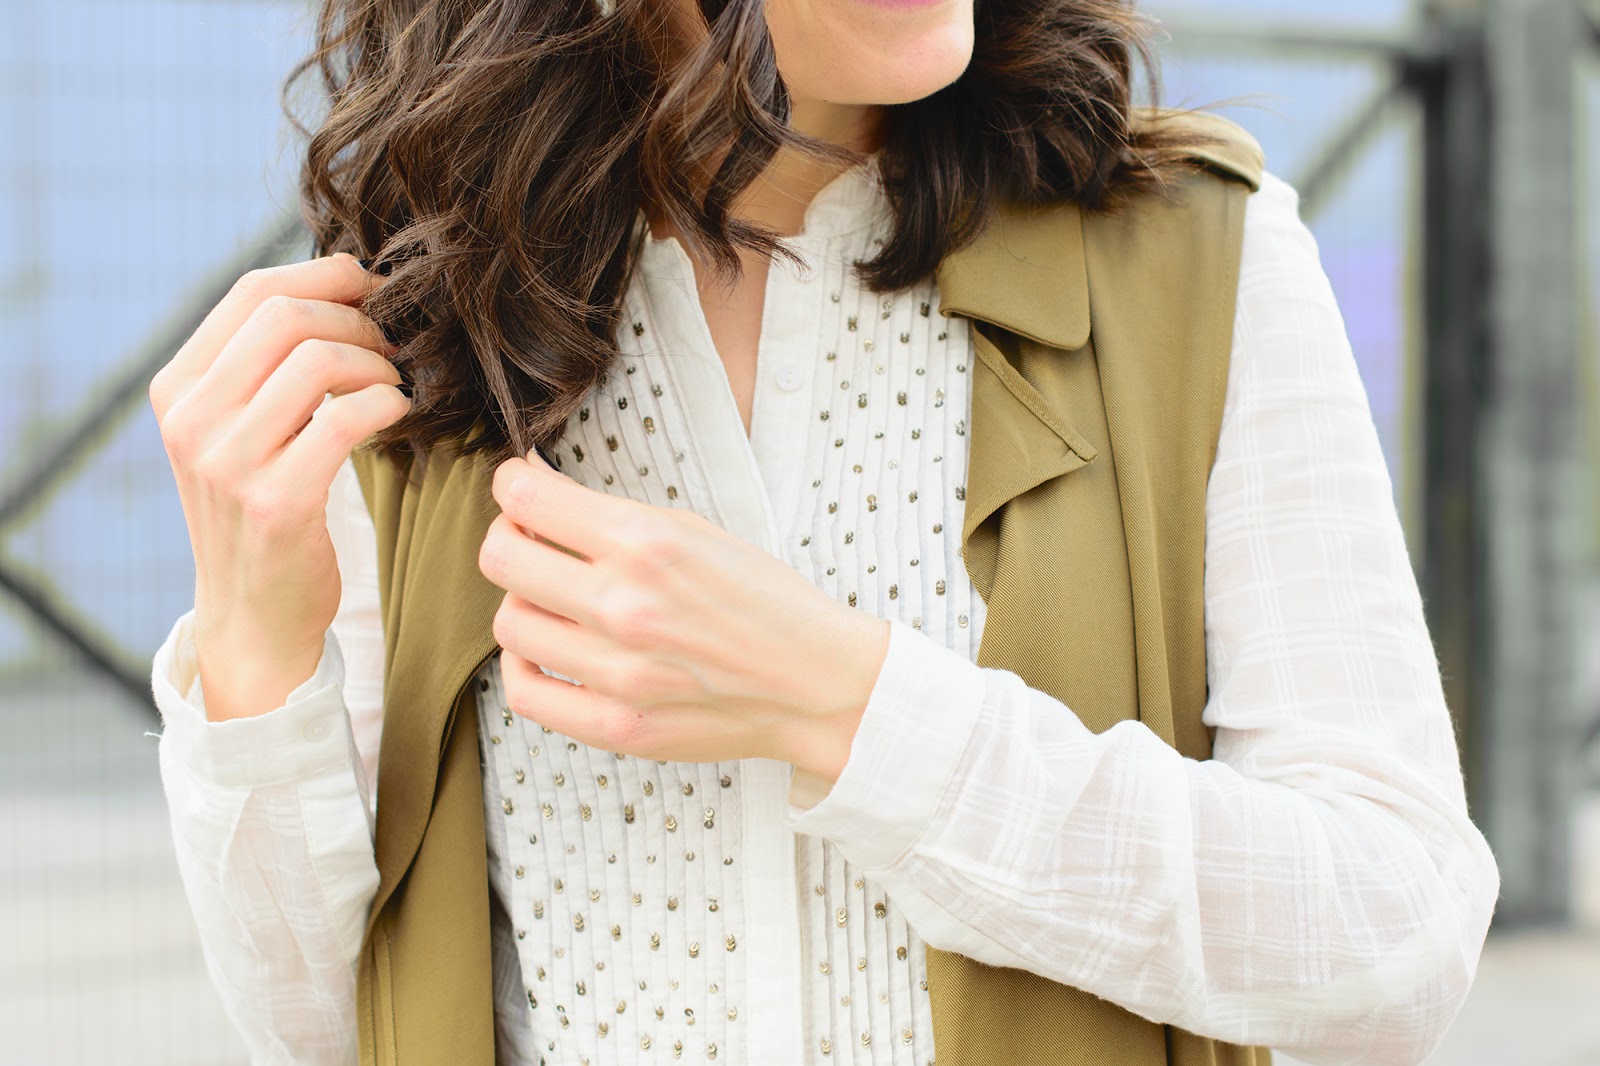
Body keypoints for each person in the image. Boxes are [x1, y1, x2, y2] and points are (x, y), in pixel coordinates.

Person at [147, 0, 1500, 1063]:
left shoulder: (1205, 257)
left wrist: (858, 709)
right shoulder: (435, 327)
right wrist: (256, 645)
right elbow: (334, 1028)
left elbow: (1399, 936)